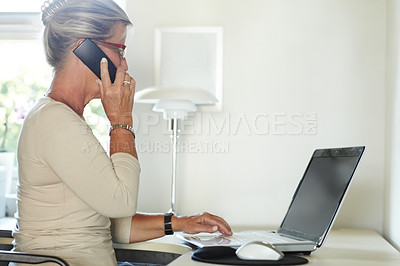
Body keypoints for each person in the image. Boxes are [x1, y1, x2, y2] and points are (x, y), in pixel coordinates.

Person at [12, 0, 232, 265]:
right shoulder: (53, 120)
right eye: (119, 50)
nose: (124, 64)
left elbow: (105, 221)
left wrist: (183, 223)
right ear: (84, 49)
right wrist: (121, 121)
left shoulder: (63, 116)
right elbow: (121, 203)